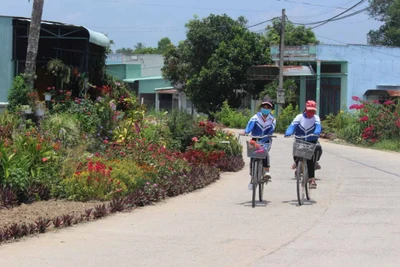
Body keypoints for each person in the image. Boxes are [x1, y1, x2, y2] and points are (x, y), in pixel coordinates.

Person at [284, 100, 323, 189]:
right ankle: (297, 164)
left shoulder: (316, 118)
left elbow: (318, 127)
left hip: (311, 140)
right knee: (296, 153)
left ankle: (312, 179)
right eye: (309, 110)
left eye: (313, 111)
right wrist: (289, 132)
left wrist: (316, 132)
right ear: (305, 109)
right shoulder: (299, 117)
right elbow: (292, 126)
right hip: (300, 140)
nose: (311, 113)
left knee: (310, 159)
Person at [243, 97, 276, 190]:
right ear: (261, 107)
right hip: (255, 139)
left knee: (265, 152)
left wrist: (268, 135)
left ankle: (266, 171)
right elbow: (249, 127)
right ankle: (252, 177)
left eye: (268, 107)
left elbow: (271, 129)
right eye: (264, 106)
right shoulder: (255, 117)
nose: (266, 109)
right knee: (253, 156)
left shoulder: (272, 119)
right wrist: (245, 132)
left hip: (266, 140)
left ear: (270, 109)